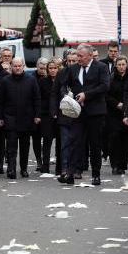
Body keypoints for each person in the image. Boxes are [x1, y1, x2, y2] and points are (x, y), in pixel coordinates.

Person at [58, 43, 109, 186]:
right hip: (77, 113)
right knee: (74, 142)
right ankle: (70, 173)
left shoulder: (101, 67)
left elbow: (105, 86)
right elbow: (63, 85)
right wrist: (66, 97)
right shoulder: (73, 69)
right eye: (77, 56)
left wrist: (86, 95)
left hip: (95, 113)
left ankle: (96, 175)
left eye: (81, 56)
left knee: (95, 144)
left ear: (90, 56)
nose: (78, 59)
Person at [0, 57, 41, 179]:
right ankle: (11, 169)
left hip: (27, 118)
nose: (17, 68)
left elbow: (37, 99)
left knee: (24, 146)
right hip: (10, 117)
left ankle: (23, 169)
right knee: (11, 146)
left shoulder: (31, 80)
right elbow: (0, 101)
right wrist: (0, 117)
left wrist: (37, 115)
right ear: (11, 67)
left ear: (23, 66)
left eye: (19, 66)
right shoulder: (5, 81)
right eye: (15, 66)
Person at [50, 49, 78, 178]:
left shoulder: (81, 73)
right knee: (65, 143)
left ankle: (77, 169)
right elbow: (54, 93)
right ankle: (65, 168)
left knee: (78, 143)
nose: (71, 63)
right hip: (63, 113)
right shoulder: (61, 73)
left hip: (78, 114)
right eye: (69, 60)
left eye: (74, 60)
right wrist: (54, 111)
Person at [106, 56, 128, 175]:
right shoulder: (111, 78)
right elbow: (107, 96)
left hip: (127, 112)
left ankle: (122, 165)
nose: (121, 67)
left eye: (123, 64)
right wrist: (117, 104)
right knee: (113, 139)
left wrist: (126, 106)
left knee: (124, 140)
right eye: (119, 64)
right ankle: (115, 165)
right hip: (114, 112)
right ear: (116, 65)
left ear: (126, 65)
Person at [39, 57, 62, 174]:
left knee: (60, 141)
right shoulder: (43, 81)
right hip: (46, 115)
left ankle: (59, 167)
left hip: (60, 114)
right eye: (50, 68)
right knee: (47, 141)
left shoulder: (63, 81)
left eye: (55, 68)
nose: (53, 70)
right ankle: (45, 165)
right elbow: (39, 98)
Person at [99, 41, 119, 162]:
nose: (113, 53)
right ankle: (105, 151)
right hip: (103, 101)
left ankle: (111, 153)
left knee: (113, 131)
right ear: (107, 51)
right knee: (103, 129)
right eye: (111, 51)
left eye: (115, 51)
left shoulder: (121, 63)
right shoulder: (101, 63)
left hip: (115, 101)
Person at [32, 57, 48, 171]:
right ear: (37, 67)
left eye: (44, 68)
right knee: (36, 138)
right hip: (35, 111)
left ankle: (45, 160)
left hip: (46, 111)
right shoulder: (32, 78)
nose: (43, 70)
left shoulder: (49, 78)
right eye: (41, 68)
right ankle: (39, 160)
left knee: (47, 138)